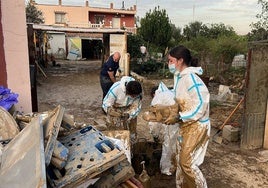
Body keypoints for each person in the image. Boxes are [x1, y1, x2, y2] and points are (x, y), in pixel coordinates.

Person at [166, 45, 210, 188]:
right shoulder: (179, 77)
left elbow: (201, 104)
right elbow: (181, 99)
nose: (169, 64)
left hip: (197, 125)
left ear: (180, 61)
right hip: (186, 124)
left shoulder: (191, 78)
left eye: (171, 61)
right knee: (180, 159)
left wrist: (179, 117)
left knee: (188, 163)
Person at [143, 82, 179, 176]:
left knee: (169, 145)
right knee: (178, 144)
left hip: (173, 123)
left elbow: (153, 123)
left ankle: (166, 169)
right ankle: (178, 164)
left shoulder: (157, 99)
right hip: (182, 120)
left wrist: (155, 136)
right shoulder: (171, 92)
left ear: (154, 94)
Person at [102, 76, 142, 142]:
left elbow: (137, 107)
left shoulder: (138, 91)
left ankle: (131, 142)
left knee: (132, 128)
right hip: (115, 108)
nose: (134, 97)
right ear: (127, 91)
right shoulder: (116, 89)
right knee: (114, 129)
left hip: (129, 108)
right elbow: (106, 103)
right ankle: (116, 143)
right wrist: (110, 110)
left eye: (135, 96)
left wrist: (129, 114)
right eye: (132, 96)